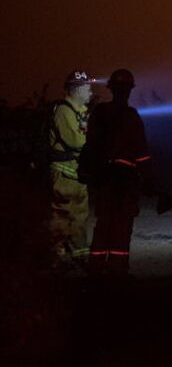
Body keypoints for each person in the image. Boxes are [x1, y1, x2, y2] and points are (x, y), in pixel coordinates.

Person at [78, 69, 153, 276]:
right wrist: (149, 180)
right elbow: (141, 152)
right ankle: (117, 269)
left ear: (111, 89)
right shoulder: (132, 116)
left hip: (104, 178)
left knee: (103, 223)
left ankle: (95, 267)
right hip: (126, 180)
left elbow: (90, 144)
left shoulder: (99, 113)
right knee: (122, 224)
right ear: (129, 91)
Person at [47, 70, 93, 268]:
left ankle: (79, 255)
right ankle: (59, 256)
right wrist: (94, 141)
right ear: (78, 89)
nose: (91, 91)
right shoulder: (64, 110)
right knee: (63, 215)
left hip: (76, 173)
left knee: (79, 215)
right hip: (64, 172)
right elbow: (75, 141)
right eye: (88, 87)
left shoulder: (79, 110)